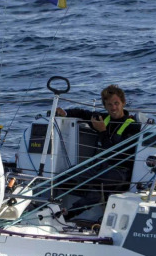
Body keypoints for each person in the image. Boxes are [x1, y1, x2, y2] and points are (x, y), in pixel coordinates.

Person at [56, 84, 141, 218]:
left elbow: (117, 154)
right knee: (62, 179)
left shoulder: (133, 127)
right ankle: (97, 196)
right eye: (109, 104)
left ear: (123, 103)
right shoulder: (103, 119)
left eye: (116, 103)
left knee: (98, 189)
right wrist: (65, 113)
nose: (113, 108)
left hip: (120, 171)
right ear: (105, 106)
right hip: (99, 167)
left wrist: (102, 131)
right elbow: (83, 113)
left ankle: (68, 214)